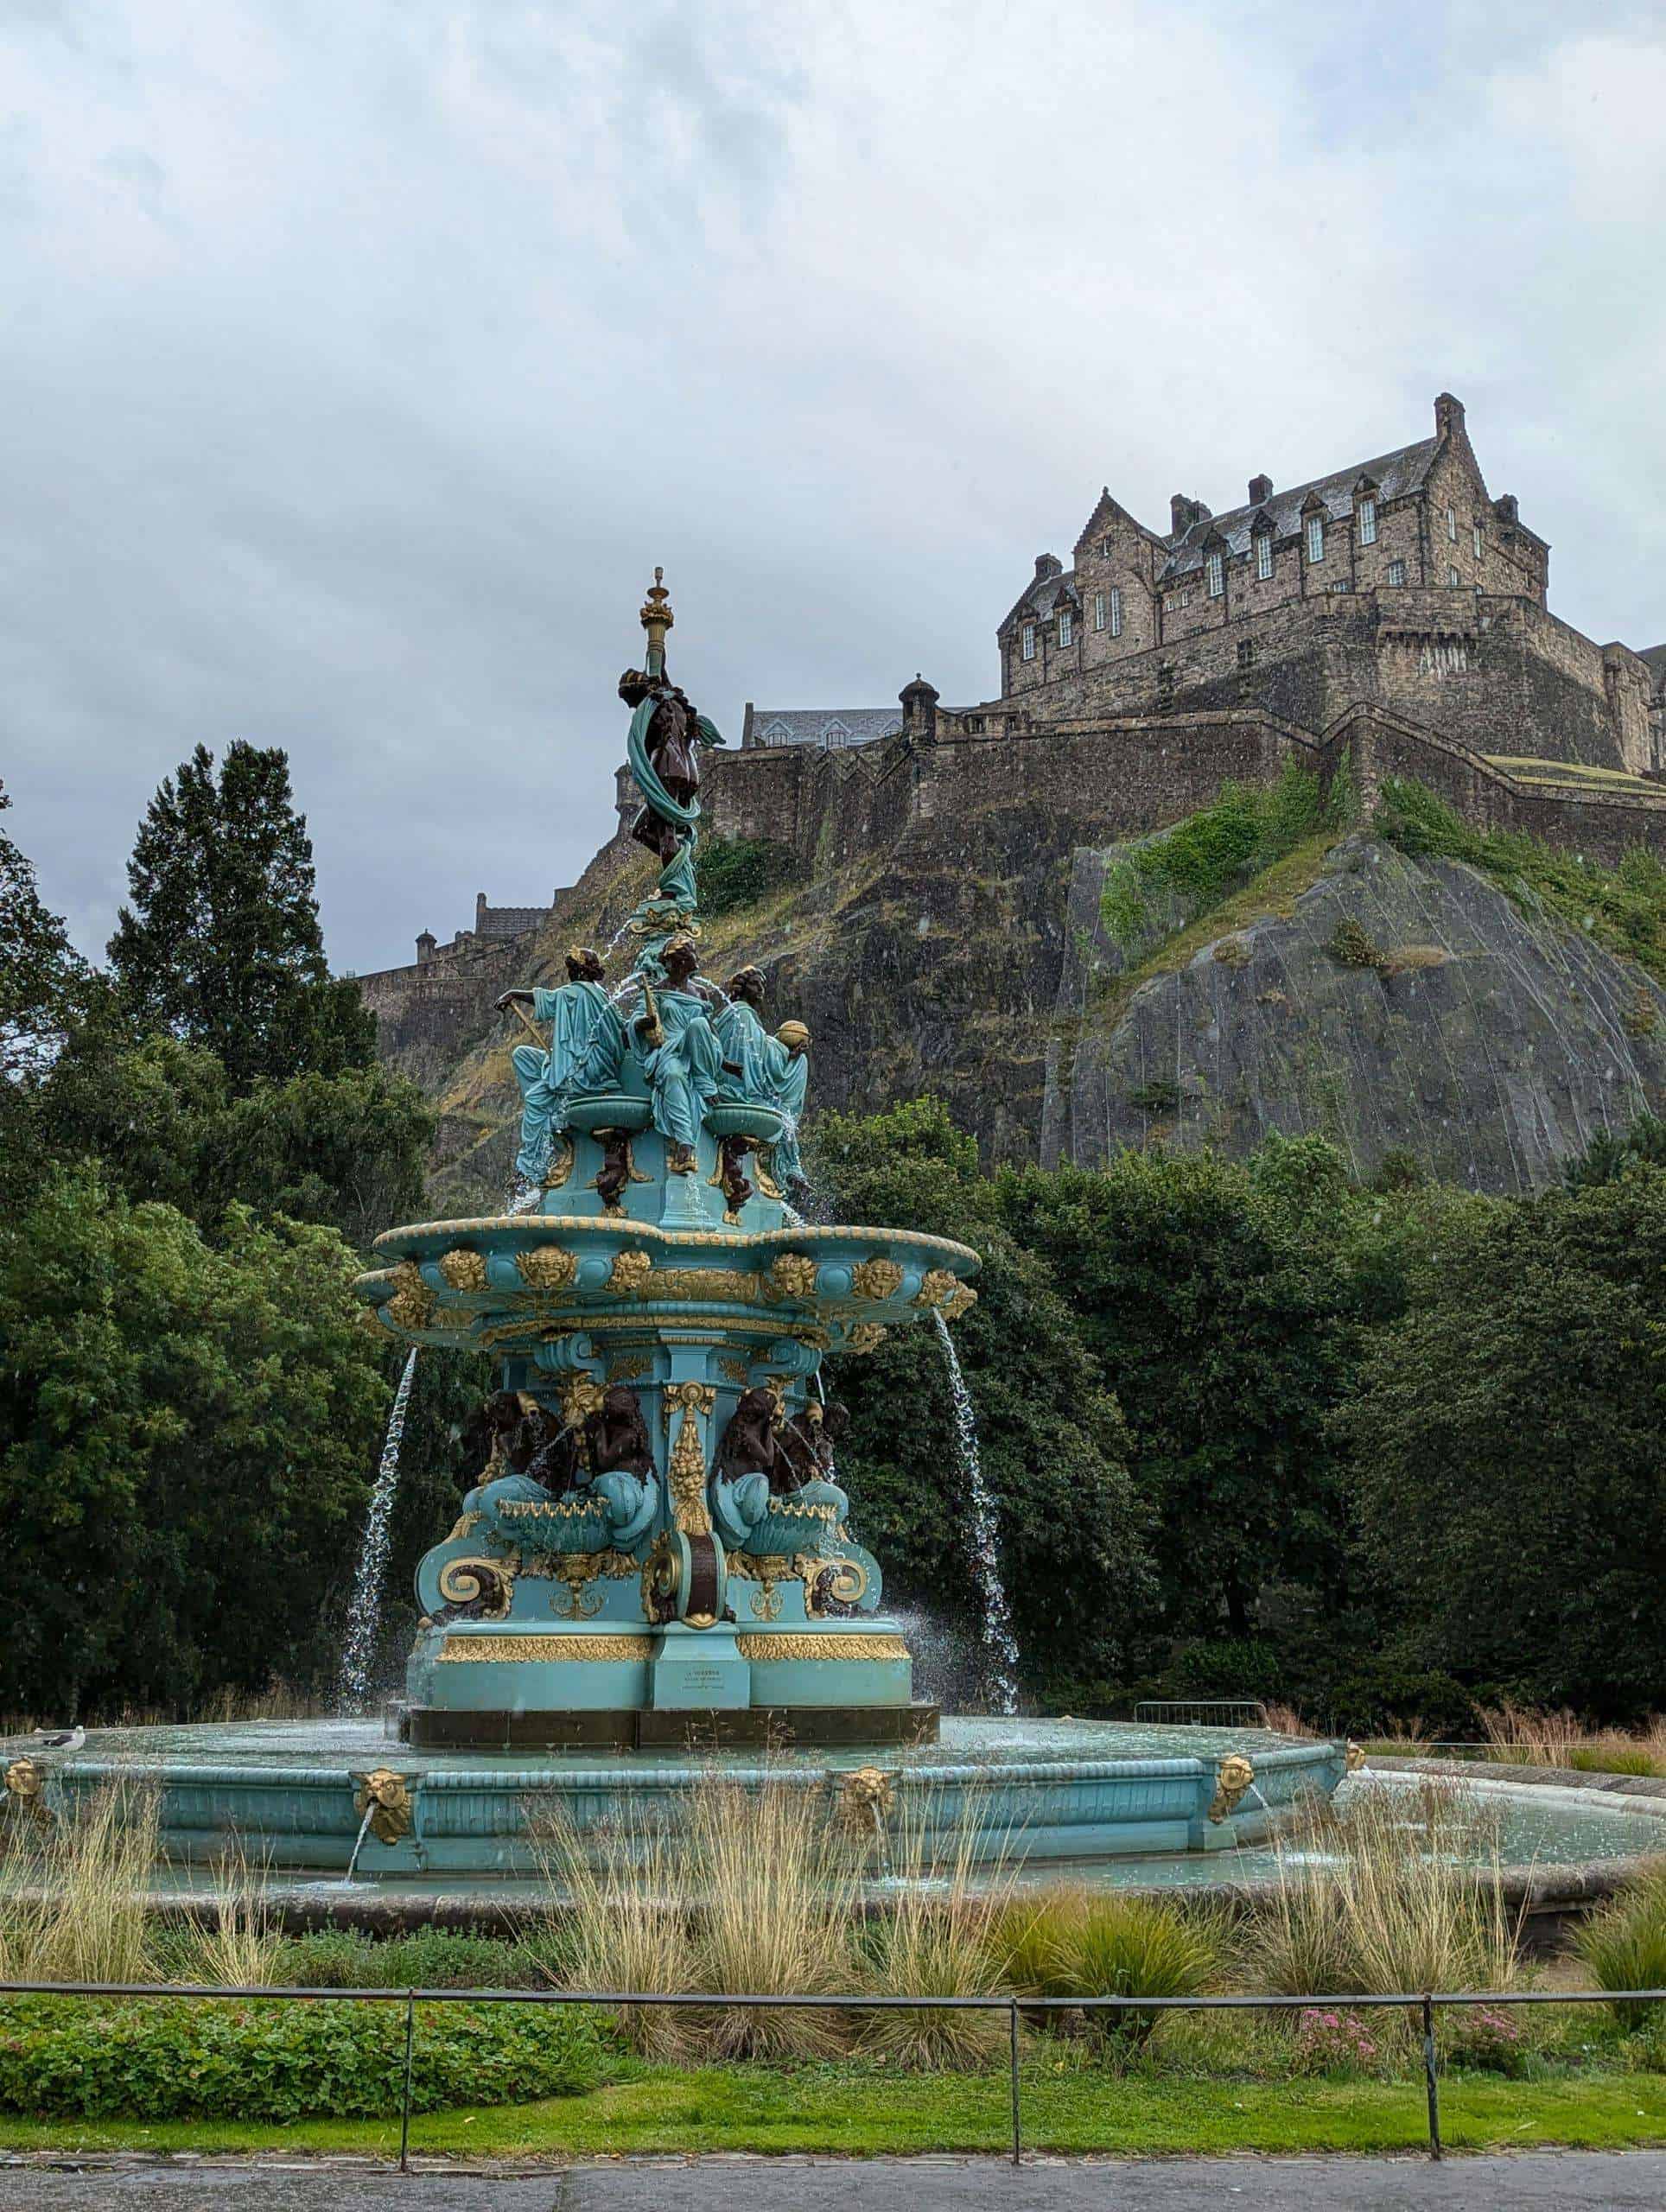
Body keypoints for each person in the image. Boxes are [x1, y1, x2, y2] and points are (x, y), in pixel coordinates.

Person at [498, 948, 621, 1186]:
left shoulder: (577, 992)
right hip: (585, 1061)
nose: (569, 973)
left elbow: (547, 999)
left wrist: (513, 994)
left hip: (584, 1069)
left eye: (570, 969)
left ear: (577, 971)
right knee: (522, 1055)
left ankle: (531, 1166)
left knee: (534, 1099)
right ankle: (550, 1111)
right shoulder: (601, 993)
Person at [635, 937, 722, 1173]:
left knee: (697, 1025)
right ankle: (685, 1142)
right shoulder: (657, 991)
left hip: (699, 1050)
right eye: (689, 954)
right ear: (675, 962)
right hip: (668, 1049)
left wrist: (727, 1063)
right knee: (673, 1075)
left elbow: (709, 1027)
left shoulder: (701, 993)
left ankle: (704, 1081)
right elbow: (635, 1023)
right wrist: (644, 1024)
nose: (696, 958)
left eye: (693, 953)